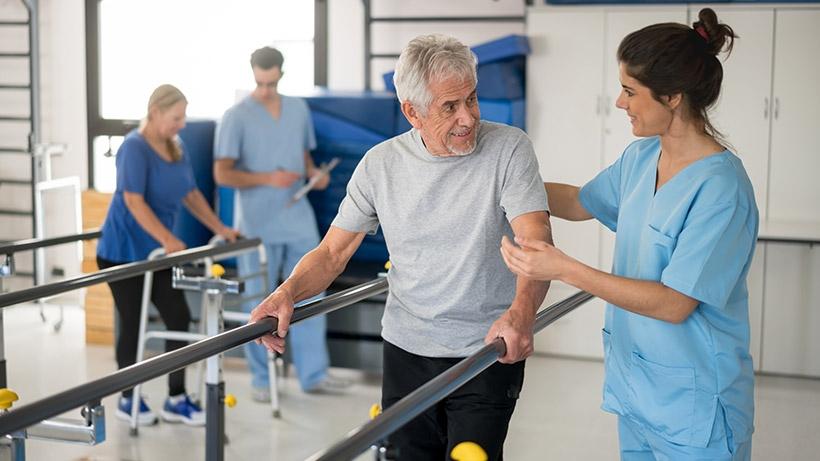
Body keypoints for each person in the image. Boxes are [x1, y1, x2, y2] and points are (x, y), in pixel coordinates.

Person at [249, 34, 552, 459]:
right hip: (407, 351)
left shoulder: (509, 148)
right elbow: (333, 253)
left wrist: (521, 314)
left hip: (486, 349)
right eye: (450, 107)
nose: (468, 117)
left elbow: (536, 238)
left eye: (472, 99)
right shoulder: (380, 165)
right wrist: (287, 293)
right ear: (412, 112)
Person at [501, 9, 756, 460]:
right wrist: (503, 186)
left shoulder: (722, 189)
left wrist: (566, 269)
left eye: (629, 91)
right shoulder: (640, 159)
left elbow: (674, 303)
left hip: (696, 408)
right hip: (639, 393)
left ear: (673, 96)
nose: (620, 103)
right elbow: (581, 201)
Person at [97, 84, 239, 426]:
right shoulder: (134, 148)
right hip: (123, 251)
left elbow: (190, 193)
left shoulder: (176, 147)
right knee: (133, 323)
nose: (182, 123)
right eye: (176, 117)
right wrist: (168, 237)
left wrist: (221, 227)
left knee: (177, 318)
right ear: (156, 112)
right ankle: (128, 398)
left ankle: (175, 398)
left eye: (184, 116)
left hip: (157, 255)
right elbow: (133, 201)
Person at [213, 46, 345, 400]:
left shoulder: (298, 109)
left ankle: (314, 375)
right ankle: (261, 380)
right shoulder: (235, 116)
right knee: (259, 301)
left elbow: (303, 159)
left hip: (296, 217)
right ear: (253, 74)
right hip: (257, 222)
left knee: (310, 291)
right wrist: (267, 178)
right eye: (260, 82)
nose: (266, 90)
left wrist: (315, 175)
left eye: (272, 82)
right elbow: (222, 173)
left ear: (281, 75)